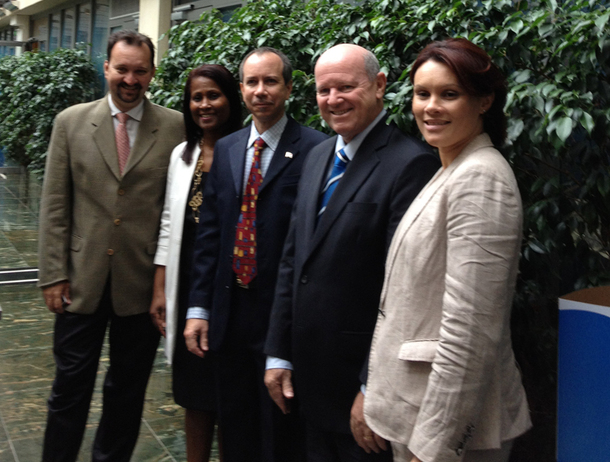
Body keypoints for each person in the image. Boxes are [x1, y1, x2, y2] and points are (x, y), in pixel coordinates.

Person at [263, 43, 440, 462]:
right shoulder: (318, 155)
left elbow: (404, 295)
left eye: (346, 87)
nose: (333, 99)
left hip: (362, 392)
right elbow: (293, 263)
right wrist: (278, 351)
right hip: (306, 382)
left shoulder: (411, 165)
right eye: (324, 90)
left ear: (379, 86)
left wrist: (371, 387)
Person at [363, 38, 532, 462]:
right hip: (415, 410)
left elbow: (470, 332)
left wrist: (435, 445)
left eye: (449, 94)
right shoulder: (451, 168)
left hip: (452, 432)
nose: (431, 107)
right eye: (423, 94)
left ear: (484, 102)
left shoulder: (481, 178)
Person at [38, 30, 184, 462]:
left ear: (153, 72)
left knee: (127, 393)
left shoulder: (175, 125)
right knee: (69, 389)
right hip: (78, 282)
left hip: (139, 287)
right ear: (106, 68)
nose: (130, 79)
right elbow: (54, 205)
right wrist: (53, 274)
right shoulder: (71, 122)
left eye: (140, 71)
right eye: (122, 69)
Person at [184, 47, 328, 462]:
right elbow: (210, 235)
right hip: (230, 315)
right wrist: (198, 308)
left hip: (282, 316)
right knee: (236, 425)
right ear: (242, 89)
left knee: (280, 430)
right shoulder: (227, 149)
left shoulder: (316, 149)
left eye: (270, 82)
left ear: (287, 87)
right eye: (252, 82)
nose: (260, 91)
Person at [149, 64, 242, 462]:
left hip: (231, 287)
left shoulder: (243, 149)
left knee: (229, 385)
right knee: (193, 388)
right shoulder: (181, 155)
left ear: (230, 99)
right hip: (186, 284)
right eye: (196, 97)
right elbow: (170, 221)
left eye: (213, 95)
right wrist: (160, 285)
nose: (204, 104)